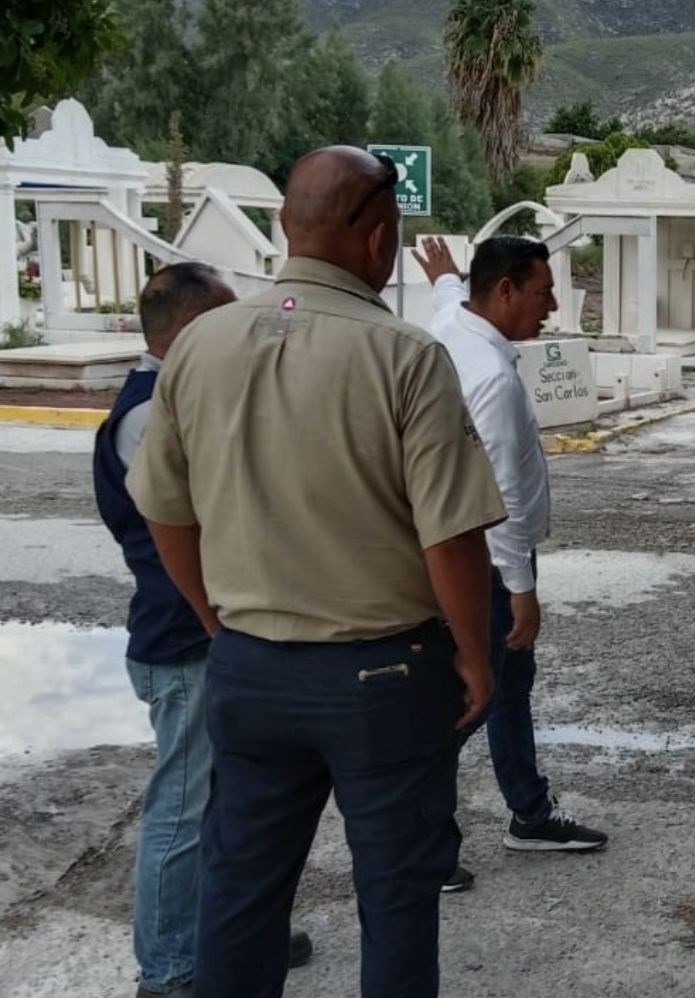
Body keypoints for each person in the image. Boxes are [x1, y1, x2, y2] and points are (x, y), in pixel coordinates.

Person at [127, 146, 507, 998]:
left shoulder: (200, 346)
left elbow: (163, 507)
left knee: (240, 893)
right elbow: (450, 538)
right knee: (396, 897)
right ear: (377, 240)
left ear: (286, 227)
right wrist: (478, 660)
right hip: (381, 676)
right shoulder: (404, 355)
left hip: (249, 670)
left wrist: (215, 620)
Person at [94, 263, 314, 998]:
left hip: (215, 633)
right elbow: (189, 523)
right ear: (190, 329)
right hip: (187, 637)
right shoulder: (149, 412)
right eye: (226, 319)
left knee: (234, 806)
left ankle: (235, 937)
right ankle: (169, 966)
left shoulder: (180, 397)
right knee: (184, 811)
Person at [414, 235, 607, 894]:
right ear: (503, 292)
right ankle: (422, 844)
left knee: (510, 691)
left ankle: (528, 810)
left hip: (473, 557)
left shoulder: (455, 323)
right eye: (542, 290)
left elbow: (448, 297)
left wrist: (443, 275)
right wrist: (520, 590)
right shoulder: (491, 378)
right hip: (489, 567)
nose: (552, 304)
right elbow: (493, 499)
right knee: (472, 697)